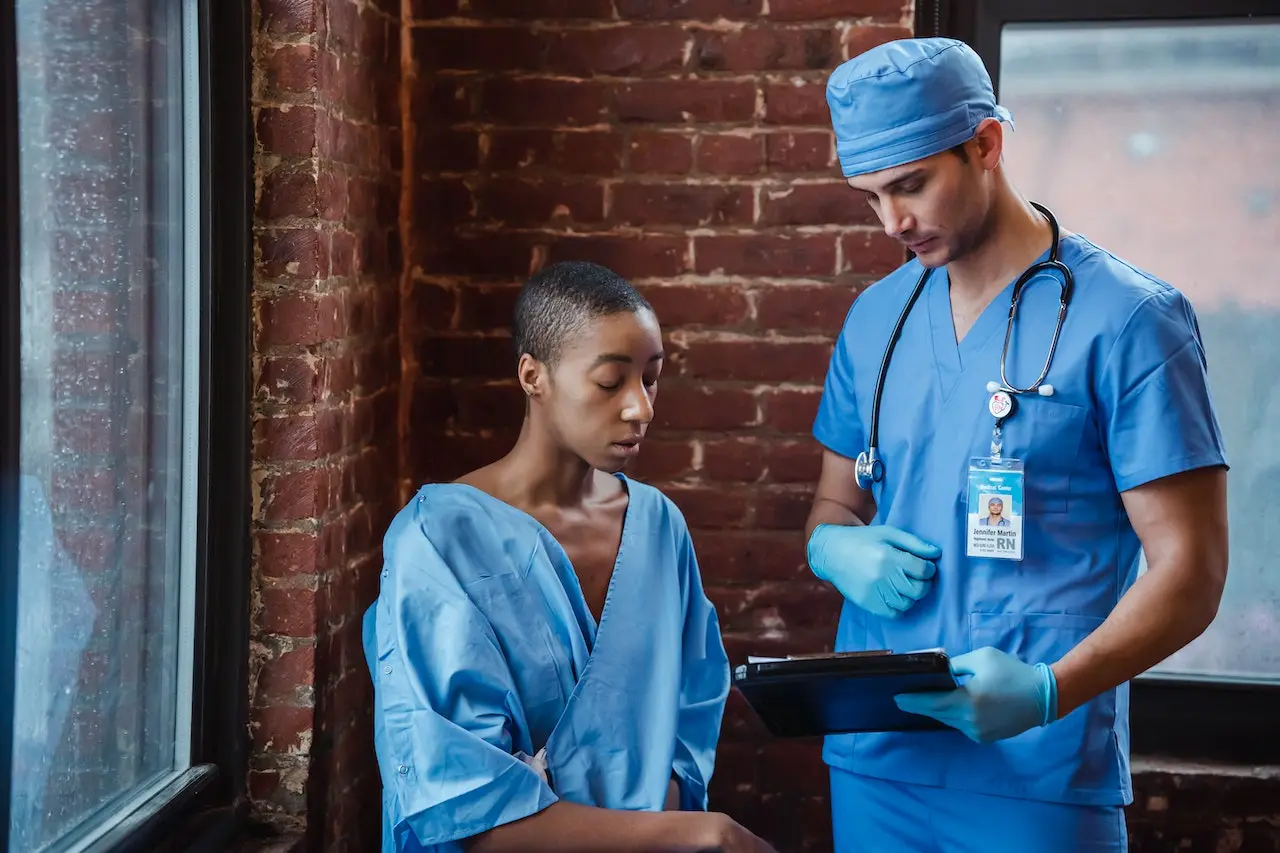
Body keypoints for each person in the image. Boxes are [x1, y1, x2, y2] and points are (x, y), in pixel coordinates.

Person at [804, 37, 1229, 852]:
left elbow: (1193, 571)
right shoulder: (876, 322)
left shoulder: (1132, 322)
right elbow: (835, 501)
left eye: (911, 185)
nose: (893, 222)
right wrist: (832, 546)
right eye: (870, 198)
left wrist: (1045, 690)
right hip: (877, 760)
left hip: (1038, 767)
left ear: (986, 144)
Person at [363, 261, 776, 853]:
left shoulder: (657, 525)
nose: (641, 408)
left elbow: (690, 714)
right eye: (611, 382)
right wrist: (694, 834)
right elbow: (466, 811)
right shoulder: (438, 540)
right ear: (534, 376)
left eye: (651, 379)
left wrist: (660, 827)